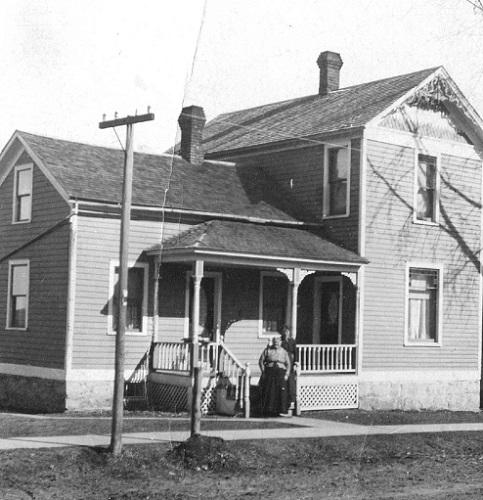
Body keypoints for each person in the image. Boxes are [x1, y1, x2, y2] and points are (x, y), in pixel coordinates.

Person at [258, 336, 291, 417]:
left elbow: (288, 364)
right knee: (270, 391)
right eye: (275, 342)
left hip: (280, 372)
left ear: (280, 342)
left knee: (281, 391)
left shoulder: (284, 352)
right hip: (270, 372)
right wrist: (263, 372)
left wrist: (286, 374)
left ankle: (281, 411)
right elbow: (261, 361)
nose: (276, 343)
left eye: (278, 342)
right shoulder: (268, 350)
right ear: (272, 342)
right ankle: (269, 411)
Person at [280, 326, 296, 411]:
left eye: (287, 331)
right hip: (284, 364)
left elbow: (295, 352)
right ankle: (284, 403)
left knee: (291, 383)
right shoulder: (281, 342)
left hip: (291, 363)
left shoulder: (292, 341)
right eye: (285, 332)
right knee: (284, 384)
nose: (286, 333)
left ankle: (292, 402)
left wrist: (296, 363)